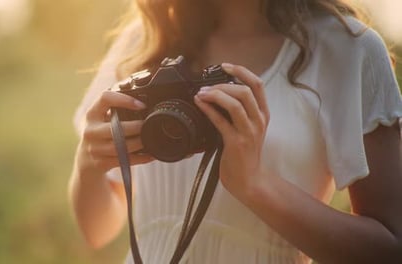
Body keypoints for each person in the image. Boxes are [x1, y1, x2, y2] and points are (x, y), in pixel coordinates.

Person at [69, 0, 402, 263]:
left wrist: (254, 184)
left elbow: (390, 249)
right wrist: (89, 164)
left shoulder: (347, 49)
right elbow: (96, 230)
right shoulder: (146, 40)